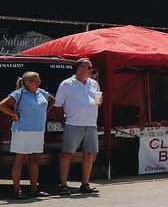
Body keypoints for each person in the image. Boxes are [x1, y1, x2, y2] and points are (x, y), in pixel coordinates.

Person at [1, 71, 55, 198]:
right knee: (19, 159)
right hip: (23, 131)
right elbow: (2, 105)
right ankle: (17, 190)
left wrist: (45, 112)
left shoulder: (41, 92)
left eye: (39, 80)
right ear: (26, 83)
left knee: (35, 159)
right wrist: (14, 114)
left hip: (38, 130)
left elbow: (52, 100)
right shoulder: (19, 93)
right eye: (36, 81)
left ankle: (34, 189)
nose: (38, 83)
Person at [54, 58, 103, 195]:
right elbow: (57, 106)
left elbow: (98, 102)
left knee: (89, 154)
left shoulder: (94, 83)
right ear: (79, 69)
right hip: (73, 124)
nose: (91, 70)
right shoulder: (66, 84)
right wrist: (64, 122)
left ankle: (85, 183)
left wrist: (99, 102)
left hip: (91, 124)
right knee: (67, 154)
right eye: (89, 68)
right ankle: (63, 184)